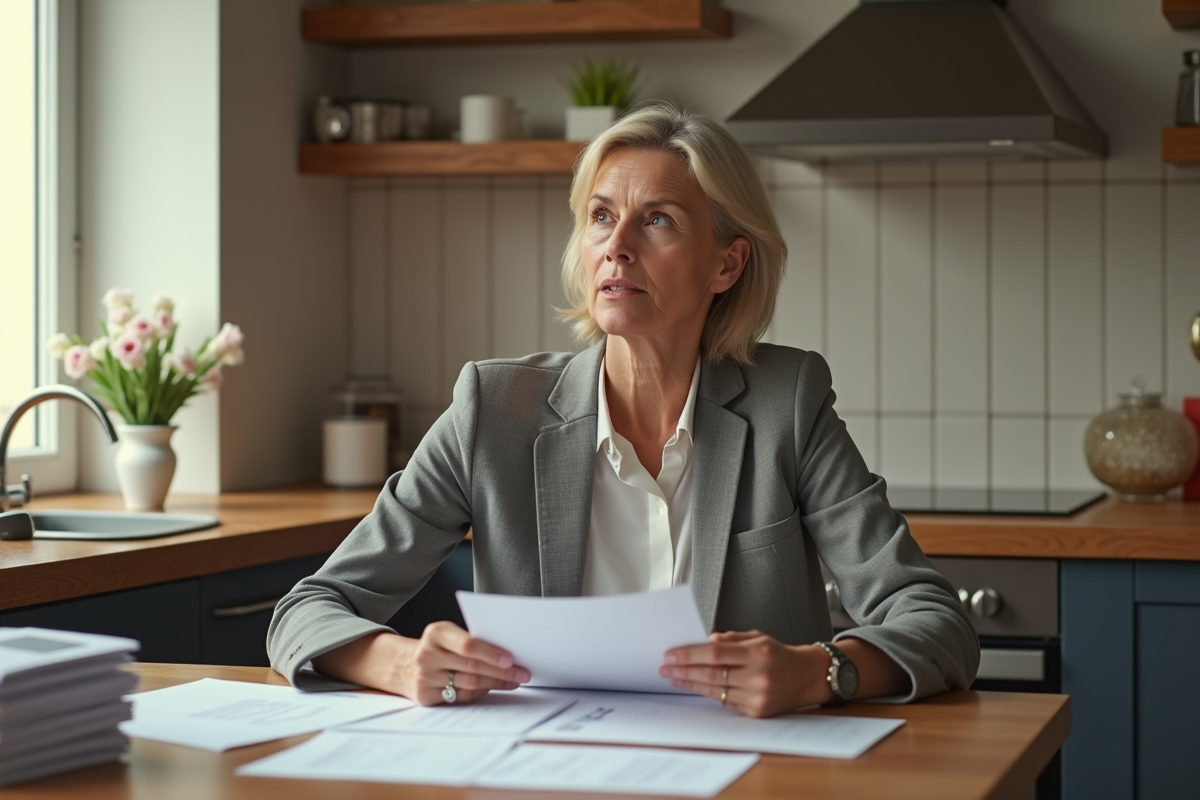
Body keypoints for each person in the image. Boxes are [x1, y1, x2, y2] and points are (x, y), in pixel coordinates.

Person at [268, 102, 979, 718]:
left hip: (751, 773)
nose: (616, 247)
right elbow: (307, 610)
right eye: (601, 217)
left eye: (658, 221)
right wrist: (394, 662)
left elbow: (937, 622)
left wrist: (822, 671)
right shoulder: (494, 408)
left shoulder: (786, 402)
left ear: (726, 265)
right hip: (550, 769)